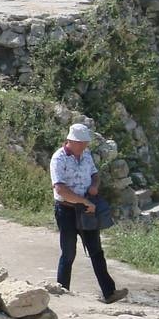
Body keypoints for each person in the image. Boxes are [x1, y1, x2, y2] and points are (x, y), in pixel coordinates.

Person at [50, 122, 129, 304]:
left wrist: (94, 186)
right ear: (70, 141)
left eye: (85, 143)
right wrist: (84, 201)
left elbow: (95, 174)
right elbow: (60, 189)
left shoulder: (85, 155)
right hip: (67, 209)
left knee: (96, 251)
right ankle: (62, 291)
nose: (84, 146)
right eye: (81, 142)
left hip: (87, 209)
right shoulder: (58, 159)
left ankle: (109, 292)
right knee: (68, 252)